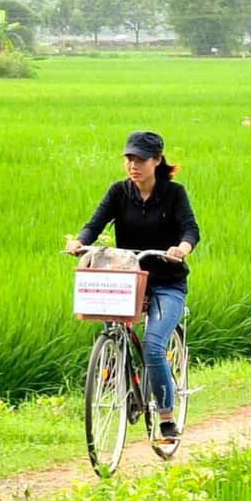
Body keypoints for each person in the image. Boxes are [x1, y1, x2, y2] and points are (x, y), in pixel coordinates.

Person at [64, 130, 199, 447]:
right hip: (129, 279)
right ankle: (118, 370)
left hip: (167, 282)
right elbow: (95, 224)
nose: (133, 166)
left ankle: (166, 417)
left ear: (157, 160)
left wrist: (181, 248)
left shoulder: (174, 194)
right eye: (129, 159)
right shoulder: (119, 192)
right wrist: (79, 242)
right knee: (110, 320)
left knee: (153, 346)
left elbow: (190, 229)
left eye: (140, 159)